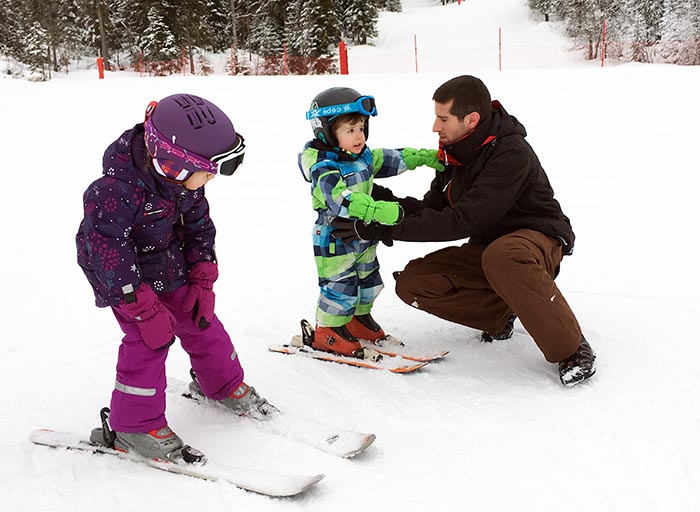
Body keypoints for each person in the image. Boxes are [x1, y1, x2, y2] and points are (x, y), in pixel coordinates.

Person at [332, 75, 596, 386]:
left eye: (443, 118)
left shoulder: (510, 153)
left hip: (536, 241)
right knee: (415, 283)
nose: (435, 127)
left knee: (504, 257)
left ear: (471, 119)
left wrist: (380, 230)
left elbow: (463, 220)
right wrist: (382, 203)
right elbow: (435, 209)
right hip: (491, 250)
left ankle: (571, 347)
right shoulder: (456, 151)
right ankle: (501, 314)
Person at [76, 93, 275, 462]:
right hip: (125, 280)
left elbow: (200, 228)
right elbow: (108, 251)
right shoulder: (113, 192)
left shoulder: (186, 186)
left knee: (202, 322)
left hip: (170, 265)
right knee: (149, 338)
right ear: (173, 163)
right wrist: (138, 303)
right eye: (206, 171)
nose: (210, 179)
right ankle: (132, 426)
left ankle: (221, 384)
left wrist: (202, 277)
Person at [298, 87, 444, 359]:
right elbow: (341, 199)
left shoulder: (360, 155)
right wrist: (377, 210)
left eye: (362, 128)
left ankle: (357, 320)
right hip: (335, 237)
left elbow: (387, 159)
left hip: (362, 235)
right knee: (340, 285)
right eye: (350, 130)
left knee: (368, 280)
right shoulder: (324, 168)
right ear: (327, 132)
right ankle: (328, 331)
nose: (359, 136)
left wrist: (421, 157)